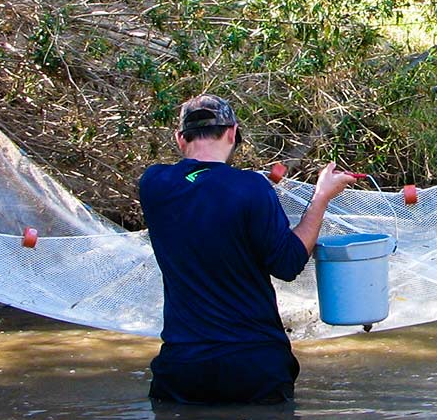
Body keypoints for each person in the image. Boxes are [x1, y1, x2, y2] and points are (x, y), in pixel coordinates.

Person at [138, 95, 359, 403]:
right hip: (255, 367)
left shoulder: (153, 184)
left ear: (179, 138)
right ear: (232, 133)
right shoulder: (251, 188)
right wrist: (321, 196)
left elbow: (203, 191)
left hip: (181, 369)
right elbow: (288, 263)